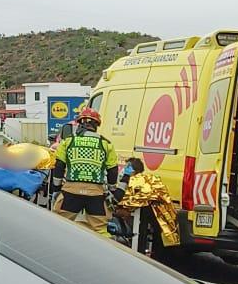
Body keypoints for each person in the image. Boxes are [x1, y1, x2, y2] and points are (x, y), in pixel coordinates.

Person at [51, 105, 119, 233]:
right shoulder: (106, 144)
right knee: (100, 230)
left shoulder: (68, 141)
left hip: (71, 192)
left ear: (80, 123)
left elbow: (59, 166)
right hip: (96, 194)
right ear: (96, 125)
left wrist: (56, 189)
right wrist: (111, 190)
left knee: (59, 226)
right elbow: (113, 170)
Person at [114, 154, 180, 255]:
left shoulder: (136, 182)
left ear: (132, 171)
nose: (123, 170)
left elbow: (125, 200)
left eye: (126, 167)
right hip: (153, 220)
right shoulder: (146, 181)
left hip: (146, 216)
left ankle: (139, 250)